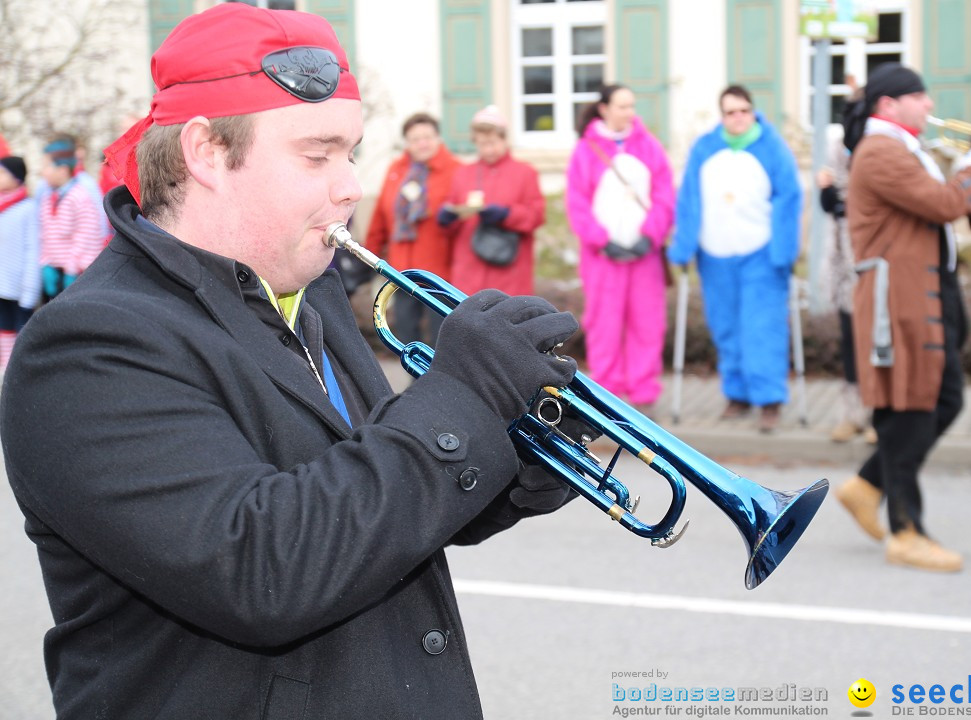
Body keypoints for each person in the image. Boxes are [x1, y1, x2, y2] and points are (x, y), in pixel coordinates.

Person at [0, 5, 580, 718]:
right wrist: (462, 396)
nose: (351, 185)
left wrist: (513, 461)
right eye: (318, 154)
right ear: (206, 152)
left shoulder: (310, 290)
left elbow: (367, 499)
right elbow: (264, 571)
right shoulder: (89, 346)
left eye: (352, 152)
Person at [834, 63, 971, 572]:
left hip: (921, 293)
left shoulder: (901, 146)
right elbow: (943, 202)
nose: (930, 105)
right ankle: (906, 531)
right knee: (910, 406)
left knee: (942, 399)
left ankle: (868, 485)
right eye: (920, 97)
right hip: (899, 298)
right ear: (890, 104)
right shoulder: (881, 150)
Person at [668, 85, 802, 433]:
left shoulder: (772, 147)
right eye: (730, 112)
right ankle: (737, 394)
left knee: (762, 327)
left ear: (753, 111)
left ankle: (769, 399)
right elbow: (689, 199)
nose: (738, 118)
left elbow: (789, 199)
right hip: (714, 255)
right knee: (726, 327)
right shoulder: (705, 148)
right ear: (722, 115)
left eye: (744, 110)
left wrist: (785, 250)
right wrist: (683, 246)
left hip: (761, 253)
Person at [566, 83, 674, 414]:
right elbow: (577, 203)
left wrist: (650, 234)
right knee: (604, 322)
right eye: (623, 106)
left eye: (632, 106)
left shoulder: (649, 147)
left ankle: (643, 394)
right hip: (602, 259)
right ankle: (607, 395)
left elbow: (665, 194)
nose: (630, 112)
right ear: (604, 109)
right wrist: (602, 241)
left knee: (647, 321)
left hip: (644, 257)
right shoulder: (586, 151)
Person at [365, 112, 459, 347]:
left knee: (443, 335)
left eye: (427, 136)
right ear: (407, 142)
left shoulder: (456, 170)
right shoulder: (397, 170)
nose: (422, 143)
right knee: (406, 332)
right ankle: (414, 378)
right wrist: (371, 252)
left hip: (441, 271)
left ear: (438, 138)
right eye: (415, 138)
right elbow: (381, 214)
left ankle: (442, 382)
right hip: (403, 269)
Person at [438, 105, 545, 296]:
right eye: (482, 144)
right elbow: (450, 225)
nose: (488, 149)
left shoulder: (525, 173)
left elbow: (536, 216)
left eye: (493, 142)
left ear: (504, 139)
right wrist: (448, 218)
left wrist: (506, 215)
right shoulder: (463, 174)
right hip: (469, 271)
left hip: (509, 271)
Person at [818, 123, 876, 444]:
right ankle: (852, 414)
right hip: (844, 265)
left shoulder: (880, 149)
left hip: (874, 264)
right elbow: (832, 209)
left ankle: (877, 415)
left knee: (876, 343)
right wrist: (826, 191)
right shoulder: (838, 151)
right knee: (851, 342)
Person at [36, 136, 104, 302]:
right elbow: (45, 234)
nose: (42, 171)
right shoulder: (47, 197)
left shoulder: (79, 196)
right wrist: (46, 262)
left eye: (46, 166)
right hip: (55, 270)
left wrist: (72, 269)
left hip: (76, 273)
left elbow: (86, 234)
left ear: (63, 170)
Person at [0, 155, 39, 371]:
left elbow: (31, 248)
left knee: (21, 329)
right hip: (2, 283)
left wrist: (29, 288)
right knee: (3, 327)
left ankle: (18, 371)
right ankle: (5, 370)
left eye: (3, 172)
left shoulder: (27, 208)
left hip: (20, 285)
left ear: (17, 177)